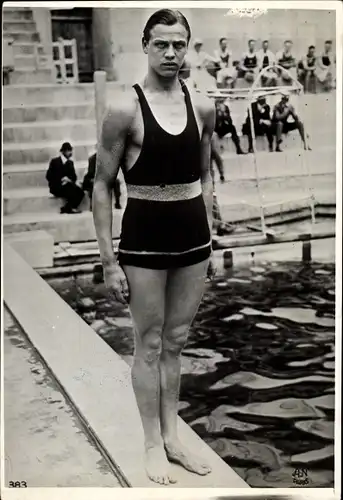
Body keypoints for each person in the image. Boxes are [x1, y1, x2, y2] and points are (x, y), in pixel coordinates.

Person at [92, 9, 215, 485]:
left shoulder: (202, 105)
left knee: (177, 342)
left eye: (178, 44)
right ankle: (150, 444)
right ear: (145, 45)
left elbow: (204, 174)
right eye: (161, 44)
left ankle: (172, 437)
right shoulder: (124, 109)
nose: (170, 53)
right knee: (149, 343)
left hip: (192, 241)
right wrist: (107, 260)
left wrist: (208, 227)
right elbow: (102, 186)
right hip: (143, 241)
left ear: (188, 47)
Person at [46, 142, 84, 214]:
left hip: (67, 186)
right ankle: (69, 208)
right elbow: (48, 176)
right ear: (64, 151)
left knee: (80, 192)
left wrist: (68, 179)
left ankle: (67, 208)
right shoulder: (55, 162)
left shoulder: (70, 163)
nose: (70, 153)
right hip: (56, 186)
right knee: (72, 191)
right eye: (69, 151)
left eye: (70, 150)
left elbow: (74, 177)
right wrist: (60, 180)